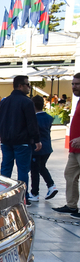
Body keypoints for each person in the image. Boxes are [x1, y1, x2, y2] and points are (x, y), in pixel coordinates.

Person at [0, 75, 41, 203]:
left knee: (5, 168)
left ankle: (3, 195)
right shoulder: (27, 102)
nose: (29, 87)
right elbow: (32, 123)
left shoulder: (4, 101)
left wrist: (1, 134)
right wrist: (36, 139)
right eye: (27, 84)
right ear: (20, 86)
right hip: (22, 142)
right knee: (22, 170)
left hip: (6, 140)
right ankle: (23, 198)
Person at [53, 74, 80, 217]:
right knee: (70, 175)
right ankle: (71, 206)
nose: (74, 86)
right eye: (73, 83)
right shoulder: (79, 101)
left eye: (77, 84)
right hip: (75, 150)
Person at [28, 95, 57, 202]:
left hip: (37, 148)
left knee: (35, 170)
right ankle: (50, 186)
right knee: (41, 167)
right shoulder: (49, 118)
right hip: (47, 148)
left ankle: (35, 192)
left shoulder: (34, 119)